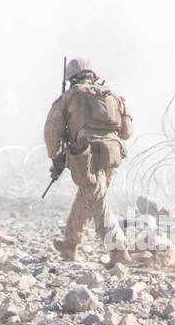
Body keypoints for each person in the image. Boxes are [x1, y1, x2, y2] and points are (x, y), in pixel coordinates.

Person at [43, 58, 133, 265]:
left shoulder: (69, 96)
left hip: (86, 156)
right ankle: (70, 242)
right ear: (93, 75)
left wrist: (56, 158)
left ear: (71, 77)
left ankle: (118, 250)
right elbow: (127, 132)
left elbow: (52, 132)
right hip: (113, 154)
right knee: (88, 195)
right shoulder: (112, 95)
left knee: (96, 200)